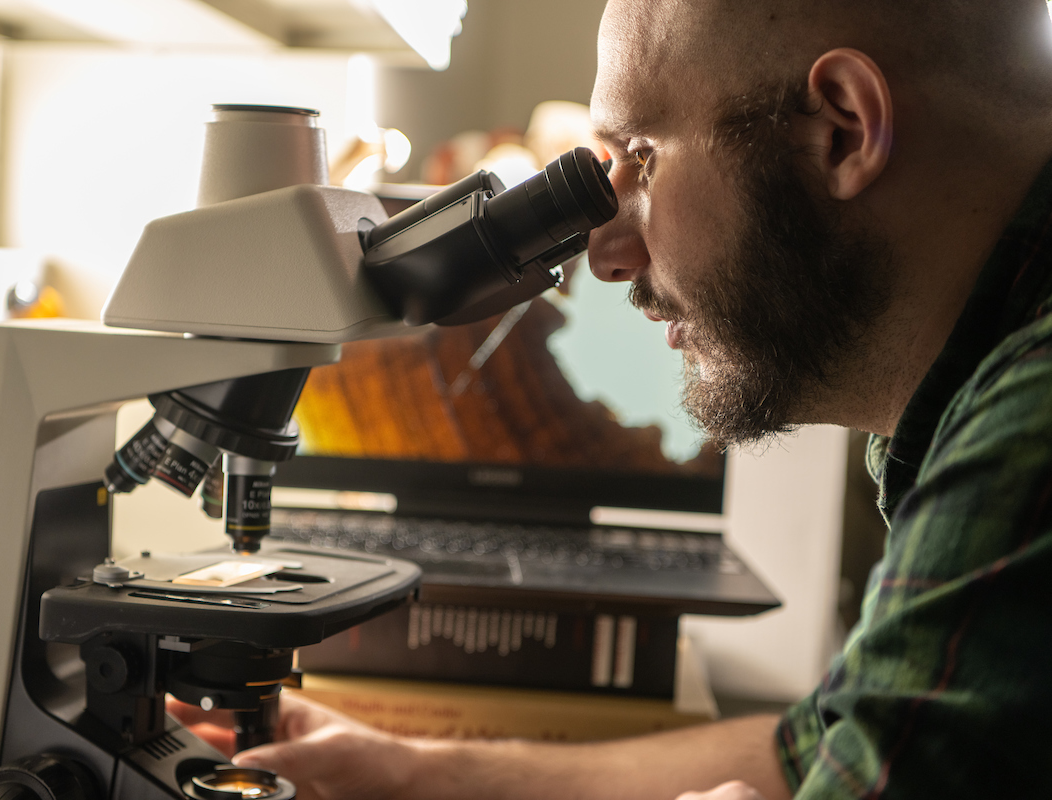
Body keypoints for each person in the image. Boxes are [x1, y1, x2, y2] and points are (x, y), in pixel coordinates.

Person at [170, 0, 1052, 796]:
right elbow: (811, 754)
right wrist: (410, 772)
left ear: (844, 131)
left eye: (642, 157)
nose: (607, 256)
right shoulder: (979, 392)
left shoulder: (1030, 429)